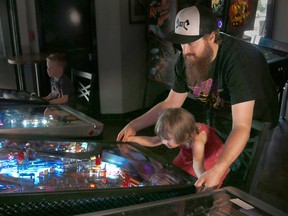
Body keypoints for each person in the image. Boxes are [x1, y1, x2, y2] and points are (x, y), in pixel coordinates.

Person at [117, 5, 279, 190]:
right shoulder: (186, 58)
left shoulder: (239, 61)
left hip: (255, 122)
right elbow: (171, 103)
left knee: (238, 179)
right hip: (219, 112)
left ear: (211, 37)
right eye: (182, 43)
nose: (185, 51)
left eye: (192, 42)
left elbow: (242, 126)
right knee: (210, 173)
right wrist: (134, 125)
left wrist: (219, 168)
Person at [127, 108, 229, 189]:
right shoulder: (173, 131)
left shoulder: (196, 140)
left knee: (193, 179)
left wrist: (203, 182)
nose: (163, 142)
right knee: (174, 170)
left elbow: (197, 165)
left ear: (183, 136)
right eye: (162, 138)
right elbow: (152, 141)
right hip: (188, 151)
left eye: (167, 139)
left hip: (209, 156)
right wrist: (130, 138)